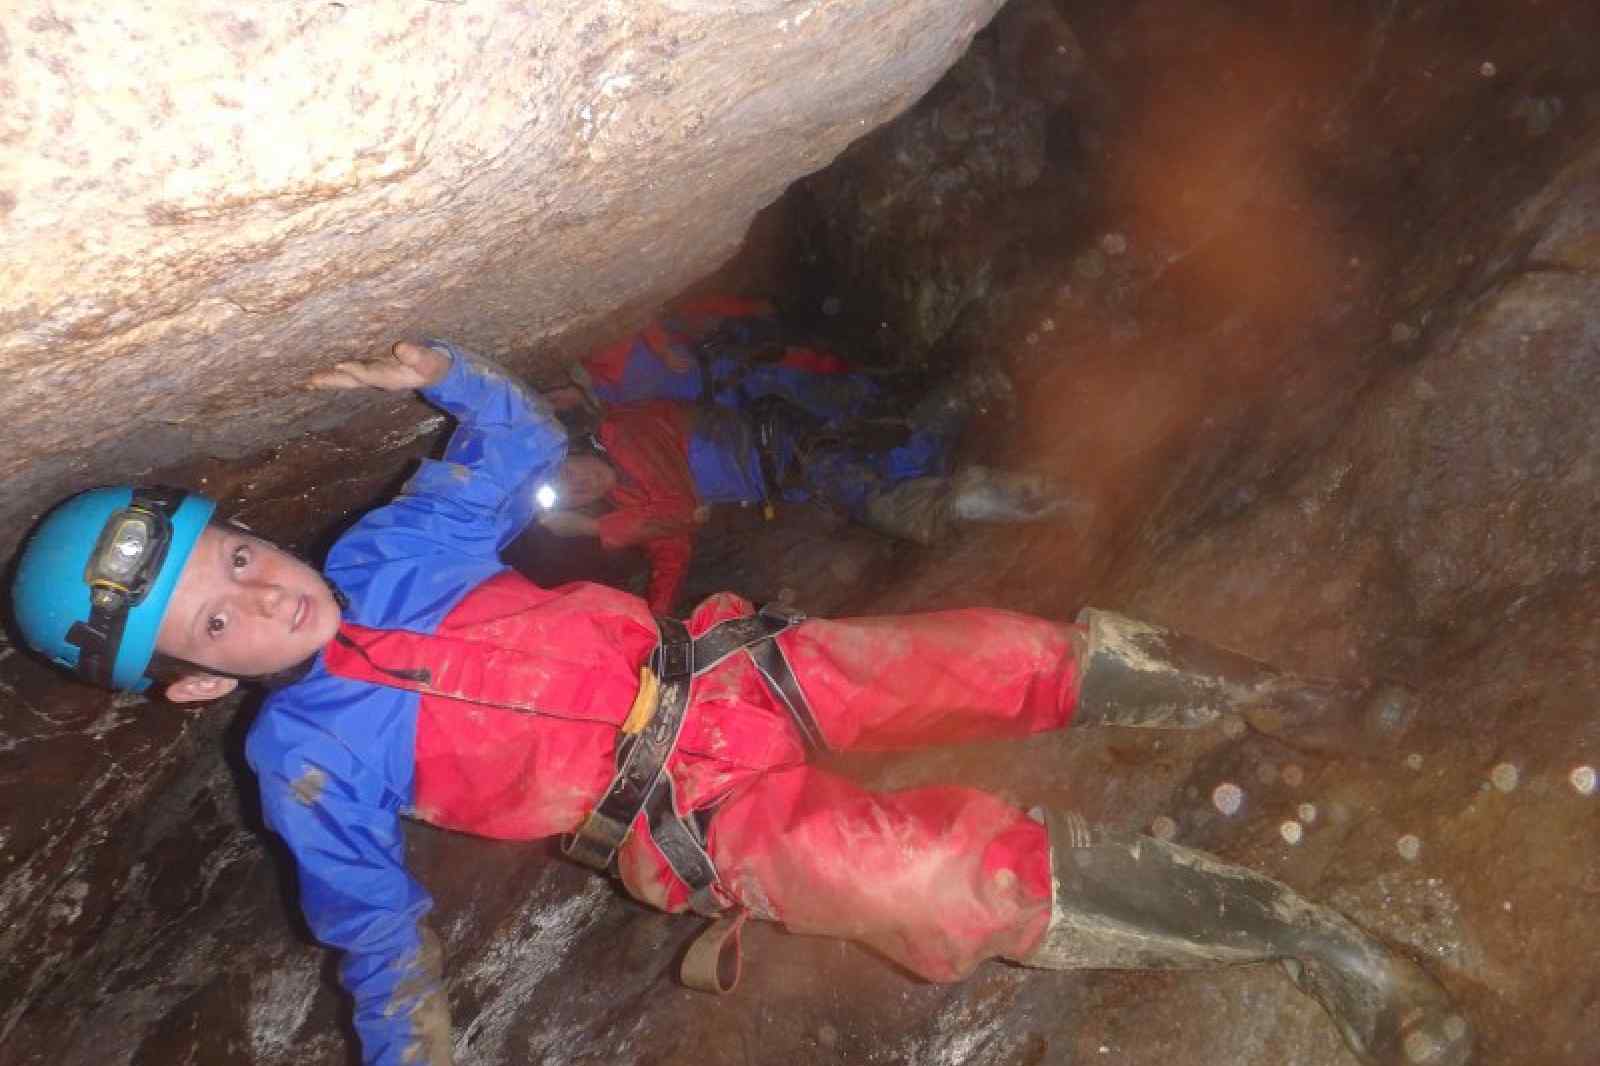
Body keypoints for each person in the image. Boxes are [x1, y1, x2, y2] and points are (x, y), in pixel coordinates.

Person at [10, 338, 1471, 1066]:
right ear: (199, 679)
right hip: (690, 815)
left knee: (997, 650)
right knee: (936, 876)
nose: (265, 593)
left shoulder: (387, 554)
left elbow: (504, 439)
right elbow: (377, 940)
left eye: (243, 550)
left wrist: (441, 368)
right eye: (219, 614)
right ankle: (1311, 936)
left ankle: (1281, 697)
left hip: (732, 667)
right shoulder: (307, 765)